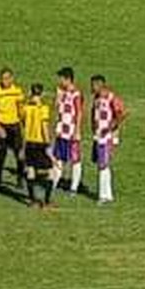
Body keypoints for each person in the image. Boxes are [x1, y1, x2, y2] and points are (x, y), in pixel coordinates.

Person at [89, 75, 128, 204]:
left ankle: (103, 196)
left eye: (93, 85)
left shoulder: (111, 98)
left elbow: (122, 112)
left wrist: (111, 127)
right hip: (98, 135)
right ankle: (108, 194)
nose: (91, 88)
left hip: (106, 137)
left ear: (100, 85)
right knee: (102, 164)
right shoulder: (96, 98)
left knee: (103, 164)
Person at [0, 68, 26, 192]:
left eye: (7, 78)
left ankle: (20, 179)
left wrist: (24, 123)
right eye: (2, 78)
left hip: (14, 126)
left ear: (12, 78)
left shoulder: (17, 91)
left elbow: (20, 109)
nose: (4, 81)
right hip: (2, 125)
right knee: (1, 156)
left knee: (19, 155)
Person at [54, 66, 85, 197]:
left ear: (68, 79)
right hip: (61, 130)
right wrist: (58, 96)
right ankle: (54, 181)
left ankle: (74, 186)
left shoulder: (76, 94)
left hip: (71, 131)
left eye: (61, 79)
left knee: (74, 159)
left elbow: (79, 112)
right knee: (58, 157)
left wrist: (77, 130)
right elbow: (56, 108)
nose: (59, 81)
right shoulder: (62, 92)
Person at [22, 82, 54, 207]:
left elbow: (23, 123)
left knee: (31, 170)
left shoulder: (26, 108)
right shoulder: (43, 108)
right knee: (51, 172)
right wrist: (48, 144)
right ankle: (46, 201)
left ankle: (32, 200)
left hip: (29, 142)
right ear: (41, 93)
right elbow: (44, 126)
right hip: (40, 142)